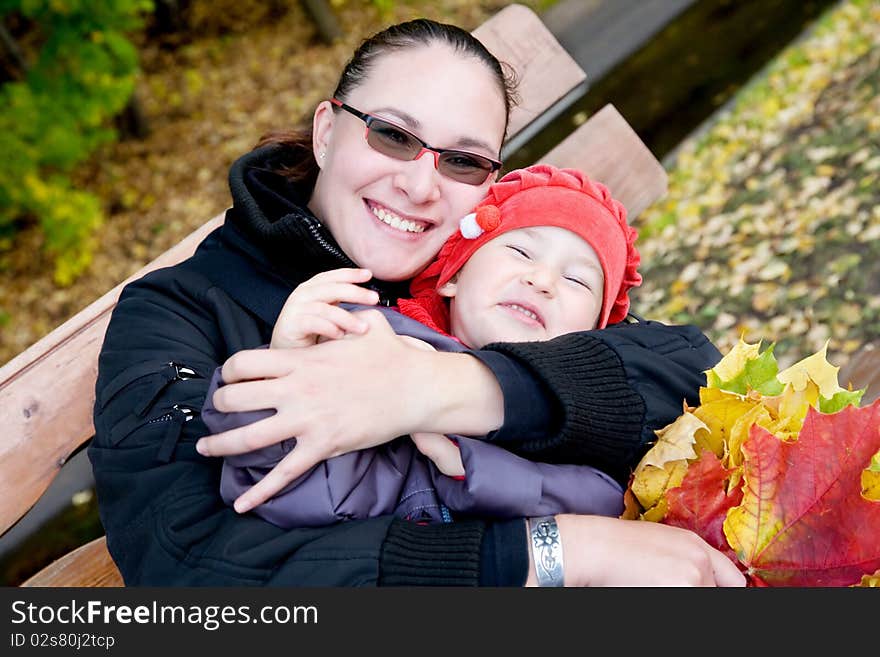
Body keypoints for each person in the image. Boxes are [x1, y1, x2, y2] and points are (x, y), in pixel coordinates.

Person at [89, 17, 746, 586]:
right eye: (393, 135)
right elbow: (194, 569)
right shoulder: (179, 315)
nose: (421, 186)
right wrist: (559, 552)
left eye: (463, 162)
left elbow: (688, 368)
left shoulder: (487, 273)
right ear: (326, 131)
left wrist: (435, 384)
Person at [203, 164, 641, 528]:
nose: (541, 281)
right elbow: (279, 490)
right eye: (522, 253)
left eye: (577, 280)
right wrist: (285, 367)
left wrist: (472, 466)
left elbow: (609, 496)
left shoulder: (578, 409)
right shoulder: (373, 343)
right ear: (452, 276)